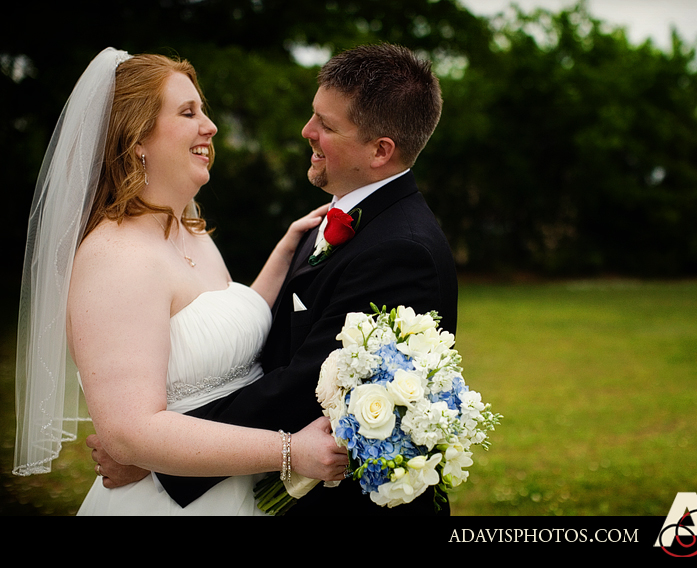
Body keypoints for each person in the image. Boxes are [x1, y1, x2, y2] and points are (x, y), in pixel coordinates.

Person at [98, 42, 458, 516]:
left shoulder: (401, 249)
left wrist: (157, 457)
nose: (306, 131)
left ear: (380, 150)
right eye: (314, 115)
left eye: (326, 126)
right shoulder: (332, 219)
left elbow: (303, 383)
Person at [13, 47, 348, 516]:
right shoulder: (114, 256)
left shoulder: (188, 230)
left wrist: (285, 251)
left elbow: (221, 330)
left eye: (204, 111)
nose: (209, 126)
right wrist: (289, 451)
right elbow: (130, 433)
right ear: (137, 141)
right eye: (188, 112)